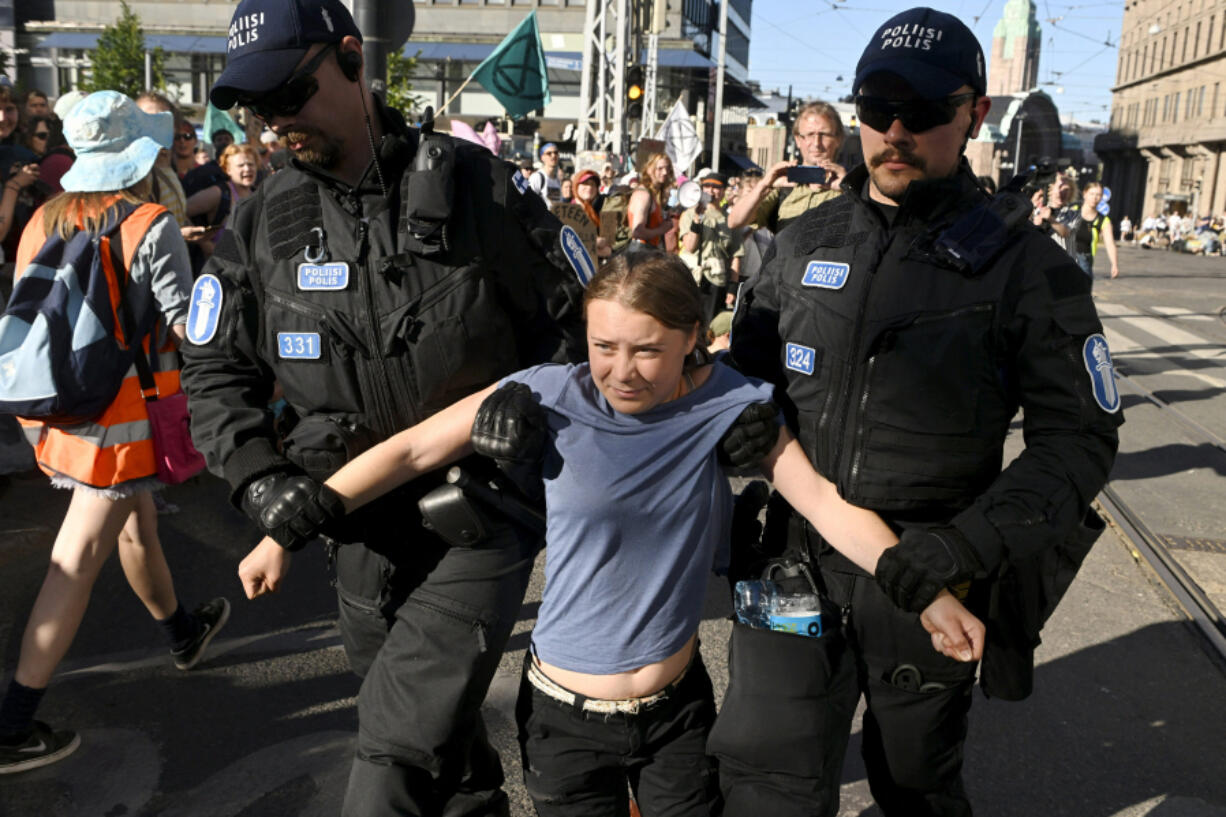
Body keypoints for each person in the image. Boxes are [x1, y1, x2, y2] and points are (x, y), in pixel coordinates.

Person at [237, 251, 983, 817]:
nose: (621, 372)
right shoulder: (548, 394)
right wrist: (289, 530)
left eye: (647, 349)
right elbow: (408, 451)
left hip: (677, 717)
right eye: (604, 346)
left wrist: (925, 591)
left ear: (694, 336)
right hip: (564, 723)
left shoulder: (732, 405)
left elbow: (824, 501)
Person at [178, 0, 589, 813]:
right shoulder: (263, 223)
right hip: (352, 520)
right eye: (258, 108)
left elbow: (587, 333)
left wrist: (531, 397)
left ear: (353, 59)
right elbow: (212, 368)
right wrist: (259, 479)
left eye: (290, 95)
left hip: (479, 508)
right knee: (438, 740)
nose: (274, 123)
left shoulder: (479, 189)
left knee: (395, 746)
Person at [720, 8, 1124, 815]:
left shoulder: (1027, 267)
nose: (896, 131)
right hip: (796, 558)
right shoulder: (802, 242)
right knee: (765, 784)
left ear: (974, 112)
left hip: (931, 570)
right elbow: (743, 378)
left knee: (915, 787)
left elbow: (1078, 441)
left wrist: (960, 547)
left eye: (926, 111)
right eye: (876, 108)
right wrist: (734, 419)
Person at [0, 90, 230, 776]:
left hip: (53, 406)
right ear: (136, 156)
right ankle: (13, 720)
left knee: (137, 528)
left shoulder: (42, 215)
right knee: (78, 553)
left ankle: (182, 631)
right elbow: (190, 328)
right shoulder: (150, 222)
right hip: (120, 414)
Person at [727, 100, 847, 233]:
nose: (816, 143)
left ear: (839, 139)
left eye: (824, 135)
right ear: (798, 140)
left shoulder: (853, 188)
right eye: (810, 135)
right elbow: (734, 221)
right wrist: (765, 184)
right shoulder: (782, 189)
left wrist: (848, 187)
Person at [679, 171, 738, 323]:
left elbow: (736, 256)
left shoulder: (730, 219)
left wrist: (732, 287)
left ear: (724, 190)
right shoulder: (689, 214)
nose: (710, 191)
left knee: (710, 325)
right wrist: (697, 221)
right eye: (706, 186)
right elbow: (690, 247)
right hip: (693, 278)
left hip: (717, 280)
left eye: (716, 187)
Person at [627, 151, 676, 250]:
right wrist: (662, 229)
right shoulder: (643, 195)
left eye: (667, 168)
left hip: (651, 254)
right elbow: (637, 232)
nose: (665, 172)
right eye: (660, 168)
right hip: (641, 257)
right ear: (649, 169)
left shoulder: (654, 194)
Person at [1072, 181, 1119, 281]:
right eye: (1092, 194)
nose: (1095, 197)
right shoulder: (1072, 211)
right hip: (1066, 256)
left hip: (1085, 260)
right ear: (1085, 194)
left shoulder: (1103, 220)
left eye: (1098, 195)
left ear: (1102, 197)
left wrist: (1114, 264)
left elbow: (1110, 243)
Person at [573, 168, 612, 258]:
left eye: (593, 184)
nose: (589, 187)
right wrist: (598, 242)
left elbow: (609, 249)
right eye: (585, 183)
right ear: (576, 186)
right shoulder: (567, 209)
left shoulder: (604, 206)